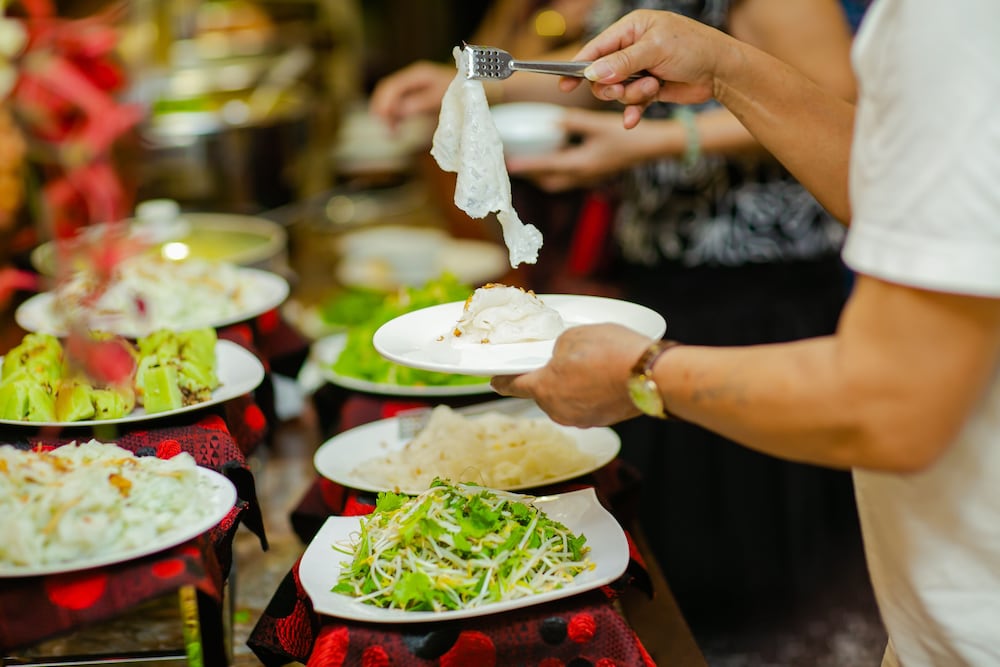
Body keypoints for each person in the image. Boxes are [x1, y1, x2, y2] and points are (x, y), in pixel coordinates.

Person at [492, 2, 1000, 665]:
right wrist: (727, 68)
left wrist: (640, 374)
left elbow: (894, 401)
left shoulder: (958, 24)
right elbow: (892, 192)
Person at [373, 0, 861, 630]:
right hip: (662, 267)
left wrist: (655, 143)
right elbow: (593, 70)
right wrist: (468, 79)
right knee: (682, 533)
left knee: (753, 539)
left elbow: (839, 109)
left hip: (757, 280)